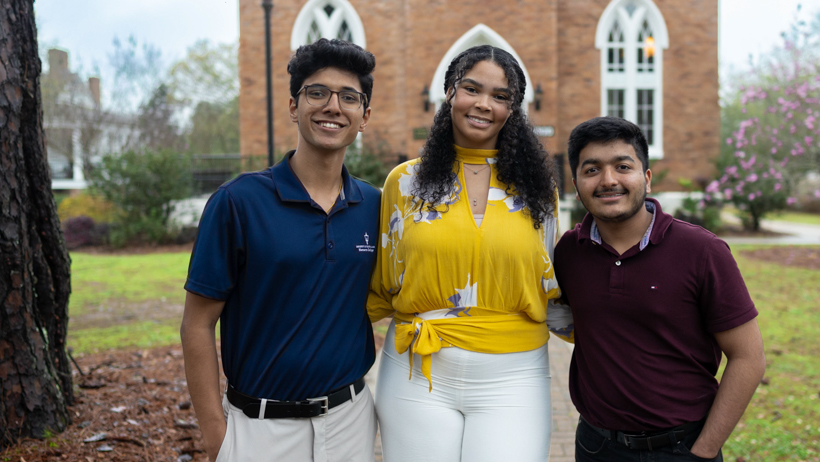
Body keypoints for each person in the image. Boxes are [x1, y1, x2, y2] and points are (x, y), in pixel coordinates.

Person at [367, 45, 572, 462]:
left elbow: (550, 283)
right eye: (472, 89)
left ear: (513, 109)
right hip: (415, 372)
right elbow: (383, 282)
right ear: (449, 93)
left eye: (500, 96)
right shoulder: (403, 184)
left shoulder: (539, 191)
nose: (484, 104)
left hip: (514, 375)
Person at [181, 38, 379, 462]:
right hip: (259, 431)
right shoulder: (238, 202)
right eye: (317, 92)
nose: (333, 106)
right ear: (294, 106)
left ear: (364, 116)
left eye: (349, 97)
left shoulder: (376, 206)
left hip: (349, 424)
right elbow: (197, 325)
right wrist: (217, 438)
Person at [554, 116, 766, 462]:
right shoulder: (568, 252)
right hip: (595, 446)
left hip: (682, 448)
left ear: (646, 178)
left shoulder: (701, 251)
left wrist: (704, 449)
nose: (608, 180)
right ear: (576, 184)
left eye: (623, 166)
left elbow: (749, 358)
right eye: (592, 170)